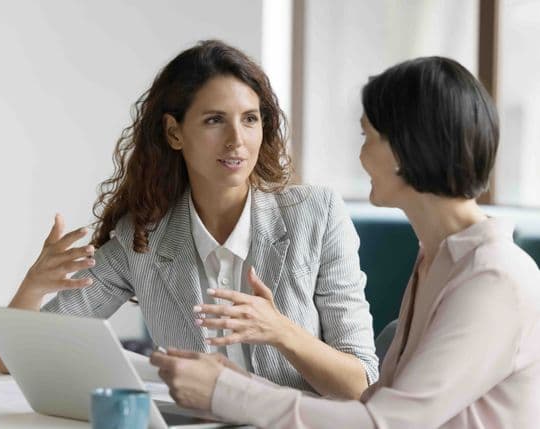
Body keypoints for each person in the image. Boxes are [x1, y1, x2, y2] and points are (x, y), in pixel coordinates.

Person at [150, 56, 540, 428]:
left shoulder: (492, 279)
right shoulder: (437, 260)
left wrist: (227, 393)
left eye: (367, 136)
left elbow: (382, 423)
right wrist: (237, 382)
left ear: (405, 150)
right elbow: (375, 404)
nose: (361, 154)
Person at [0, 39, 378, 398]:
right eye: (214, 120)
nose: (236, 140)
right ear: (174, 132)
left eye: (249, 119)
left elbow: (362, 384)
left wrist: (283, 333)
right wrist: (33, 286)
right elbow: (14, 359)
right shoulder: (142, 238)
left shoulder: (316, 214)